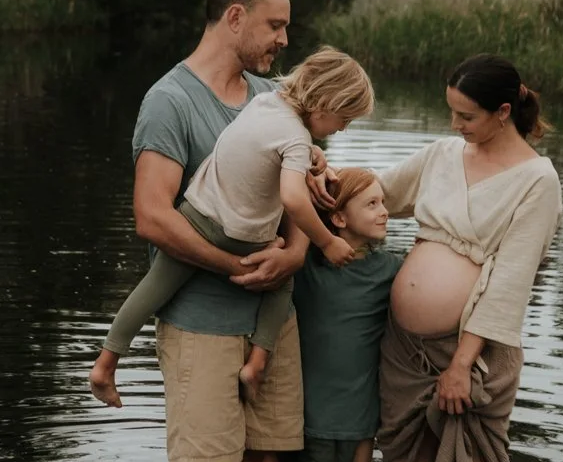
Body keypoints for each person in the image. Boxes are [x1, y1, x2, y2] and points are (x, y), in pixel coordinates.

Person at [120, 0, 309, 462]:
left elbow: (301, 201)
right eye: (274, 26)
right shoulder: (169, 102)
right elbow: (152, 216)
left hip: (270, 329)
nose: (284, 40)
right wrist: (235, 268)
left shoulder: (274, 98)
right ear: (235, 18)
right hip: (199, 323)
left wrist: (295, 255)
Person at [90, 48, 374, 407]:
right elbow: (293, 198)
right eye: (344, 120)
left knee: (153, 288)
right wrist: (327, 241)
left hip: (196, 214)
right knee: (281, 279)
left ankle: (104, 365)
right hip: (240, 237)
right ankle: (256, 364)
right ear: (324, 106)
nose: (343, 129)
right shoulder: (297, 140)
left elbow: (260, 146)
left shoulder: (264, 102)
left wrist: (312, 154)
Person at [371, 55, 563, 462]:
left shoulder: (537, 181)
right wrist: (317, 173)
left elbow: (510, 284)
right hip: (404, 350)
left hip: (470, 355)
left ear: (503, 112)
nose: (454, 125)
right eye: (451, 112)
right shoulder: (442, 155)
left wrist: (460, 365)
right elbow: (376, 194)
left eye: (466, 116)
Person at [275, 168, 398, 462]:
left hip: (360, 415)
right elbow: (288, 205)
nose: (384, 211)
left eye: (383, 202)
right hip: (310, 415)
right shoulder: (307, 263)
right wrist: (314, 173)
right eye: (372, 204)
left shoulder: (390, 268)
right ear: (339, 217)